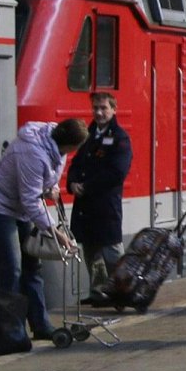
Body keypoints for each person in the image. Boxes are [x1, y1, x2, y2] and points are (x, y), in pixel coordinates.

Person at [0, 117, 88, 338]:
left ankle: (41, 324)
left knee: (32, 264)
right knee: (11, 267)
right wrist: (55, 233)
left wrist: (51, 188)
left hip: (21, 207)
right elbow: (30, 200)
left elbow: (48, 180)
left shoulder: (57, 148)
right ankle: (8, 330)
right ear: (71, 145)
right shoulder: (32, 153)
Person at [66, 92, 132, 303]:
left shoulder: (120, 138)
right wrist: (72, 183)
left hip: (105, 204)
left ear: (114, 109)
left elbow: (117, 172)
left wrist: (87, 186)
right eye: (95, 108)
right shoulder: (88, 134)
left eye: (104, 108)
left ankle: (126, 292)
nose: (99, 112)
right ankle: (99, 291)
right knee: (91, 250)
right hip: (86, 205)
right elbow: (76, 163)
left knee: (112, 251)